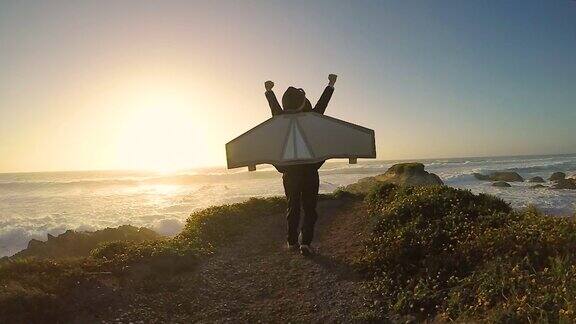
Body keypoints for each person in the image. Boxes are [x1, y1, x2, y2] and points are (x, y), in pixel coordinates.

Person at [264, 74, 337, 256]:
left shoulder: (281, 119)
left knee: (293, 206)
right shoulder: (312, 118)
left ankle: (292, 242)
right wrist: (330, 85)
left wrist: (269, 91)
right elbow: (322, 104)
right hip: (310, 170)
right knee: (309, 208)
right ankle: (305, 242)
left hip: (290, 172)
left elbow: (274, 108)